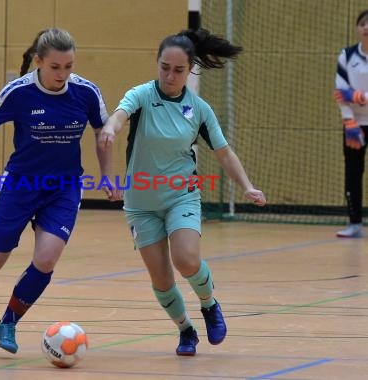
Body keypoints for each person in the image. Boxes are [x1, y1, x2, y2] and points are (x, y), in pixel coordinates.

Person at [0, 28, 115, 355]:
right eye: (55, 67)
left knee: (46, 258)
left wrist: (106, 176)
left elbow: (103, 133)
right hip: (20, 185)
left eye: (68, 66)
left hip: (63, 188)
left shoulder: (86, 93)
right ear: (39, 62)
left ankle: (8, 322)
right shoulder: (18, 92)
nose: (62, 74)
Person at [99, 29, 267, 356]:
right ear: (157, 64)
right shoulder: (143, 95)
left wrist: (246, 186)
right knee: (161, 280)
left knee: (186, 259)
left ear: (190, 69)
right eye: (164, 67)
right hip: (141, 203)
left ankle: (209, 304)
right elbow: (120, 115)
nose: (170, 75)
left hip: (181, 195)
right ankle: (185, 330)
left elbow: (224, 153)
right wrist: (109, 128)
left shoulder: (199, 109)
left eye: (178, 70)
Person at [333, 9, 368, 238]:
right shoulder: (347, 55)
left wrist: (357, 95)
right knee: (353, 173)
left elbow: (350, 93)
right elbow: (340, 92)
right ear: (357, 28)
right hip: (355, 124)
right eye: (363, 23)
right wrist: (349, 122)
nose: (366, 27)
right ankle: (354, 223)